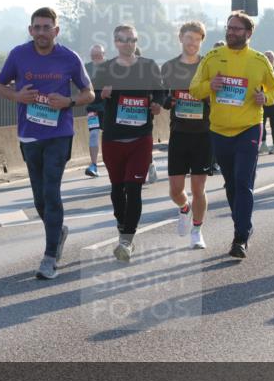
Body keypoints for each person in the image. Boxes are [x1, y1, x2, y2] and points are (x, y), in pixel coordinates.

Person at [0, 7, 95, 280]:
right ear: (31, 30)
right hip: (29, 134)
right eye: (37, 27)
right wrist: (17, 97)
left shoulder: (69, 58)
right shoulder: (18, 54)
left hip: (59, 134)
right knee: (40, 197)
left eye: (46, 27)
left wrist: (69, 102)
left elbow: (89, 93)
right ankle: (58, 230)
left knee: (51, 190)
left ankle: (50, 257)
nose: (42, 32)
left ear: (56, 30)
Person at [189, 11, 274, 259]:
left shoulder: (259, 60)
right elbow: (195, 89)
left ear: (248, 33)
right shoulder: (213, 57)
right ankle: (242, 224)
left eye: (237, 29)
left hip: (249, 127)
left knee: (242, 181)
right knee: (231, 184)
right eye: (229, 28)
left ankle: (240, 236)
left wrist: (266, 98)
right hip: (219, 129)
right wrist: (211, 86)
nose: (231, 32)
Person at [95, 24, 166, 262]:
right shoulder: (106, 68)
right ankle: (122, 224)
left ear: (136, 41)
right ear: (115, 42)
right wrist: (101, 95)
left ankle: (127, 241)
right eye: (123, 40)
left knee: (133, 189)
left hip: (141, 137)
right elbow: (90, 96)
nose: (128, 44)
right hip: (114, 137)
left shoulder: (148, 66)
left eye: (132, 39)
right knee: (117, 190)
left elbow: (161, 92)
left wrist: (157, 104)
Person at [161, 21, 210, 249]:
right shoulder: (169, 67)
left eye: (197, 39)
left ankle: (197, 230)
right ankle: (184, 207)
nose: (192, 43)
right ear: (180, 38)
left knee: (198, 188)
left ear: (202, 41)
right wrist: (167, 101)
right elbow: (161, 97)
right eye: (189, 38)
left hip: (203, 134)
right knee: (175, 190)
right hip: (179, 133)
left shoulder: (208, 65)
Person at [84, 44, 106, 177]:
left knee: (109, 136)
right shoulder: (86, 68)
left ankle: (113, 163)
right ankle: (94, 165)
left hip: (108, 108)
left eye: (98, 56)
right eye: (93, 56)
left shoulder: (111, 67)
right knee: (93, 134)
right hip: (92, 108)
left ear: (104, 55)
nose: (96, 59)